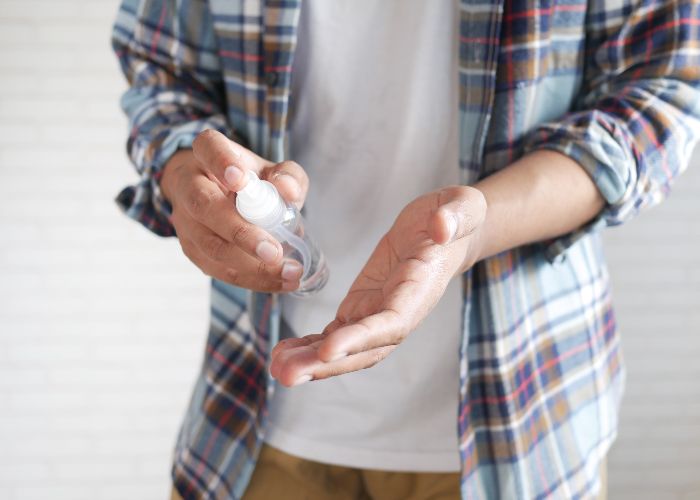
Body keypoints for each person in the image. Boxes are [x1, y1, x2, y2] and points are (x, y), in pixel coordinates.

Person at [112, 0, 699, 498]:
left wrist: (476, 225)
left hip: (522, 424)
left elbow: (663, 90)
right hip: (250, 423)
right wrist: (189, 173)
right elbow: (164, 72)